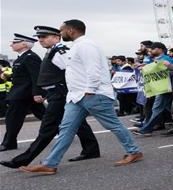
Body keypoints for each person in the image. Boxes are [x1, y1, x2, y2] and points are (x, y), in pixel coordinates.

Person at [20, 20, 142, 175]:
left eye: (61, 30)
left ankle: (134, 151)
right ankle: (50, 164)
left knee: (113, 125)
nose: (60, 33)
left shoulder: (86, 45)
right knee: (66, 130)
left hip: (93, 94)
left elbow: (93, 68)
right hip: (76, 96)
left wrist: (90, 89)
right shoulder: (77, 46)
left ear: (71, 30)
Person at [1, 26, 100, 169]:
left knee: (47, 128)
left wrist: (74, 91)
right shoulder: (52, 51)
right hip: (57, 94)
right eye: (40, 37)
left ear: (56, 37)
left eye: (44, 37)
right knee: (77, 123)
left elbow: (73, 71)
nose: (40, 40)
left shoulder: (60, 52)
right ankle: (91, 149)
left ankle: (23, 160)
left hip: (60, 94)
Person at [1, 34, 45, 151]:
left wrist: (37, 93)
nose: (11, 44)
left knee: (12, 118)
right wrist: (9, 76)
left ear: (24, 44)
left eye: (15, 42)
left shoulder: (30, 57)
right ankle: (66, 130)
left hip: (24, 94)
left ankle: (9, 143)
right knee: (46, 117)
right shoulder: (21, 57)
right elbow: (22, 76)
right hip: (23, 93)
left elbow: (36, 77)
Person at [137, 43, 173, 135]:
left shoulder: (166, 59)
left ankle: (146, 129)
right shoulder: (155, 60)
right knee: (171, 108)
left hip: (165, 88)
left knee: (157, 108)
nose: (151, 51)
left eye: (153, 49)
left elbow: (166, 70)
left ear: (160, 49)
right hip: (160, 88)